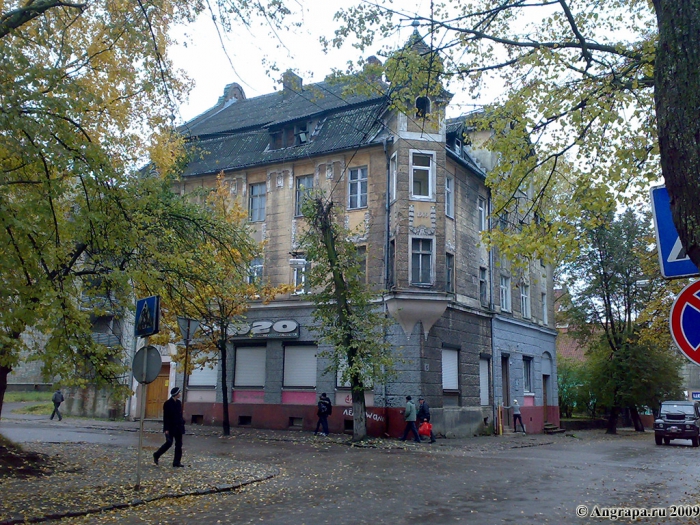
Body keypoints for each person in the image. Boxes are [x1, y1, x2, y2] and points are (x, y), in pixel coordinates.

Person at [153, 387, 186, 467]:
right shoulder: (167, 403)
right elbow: (166, 417)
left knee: (179, 445)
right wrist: (166, 429)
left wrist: (182, 422)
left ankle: (176, 462)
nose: (180, 394)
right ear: (176, 394)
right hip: (171, 427)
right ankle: (157, 454)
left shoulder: (178, 403)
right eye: (179, 392)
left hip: (178, 427)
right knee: (169, 443)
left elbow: (179, 415)